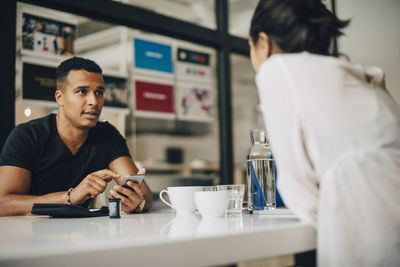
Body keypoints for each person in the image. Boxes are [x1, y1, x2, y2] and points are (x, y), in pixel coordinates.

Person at [249, 0, 400, 266]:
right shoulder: (361, 78)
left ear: (263, 43)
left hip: (372, 233)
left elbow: (300, 193)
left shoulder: (278, 70)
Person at [0, 57, 152, 216]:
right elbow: (3, 204)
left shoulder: (107, 134)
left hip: (81, 235)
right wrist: (70, 197)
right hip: (30, 234)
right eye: (82, 91)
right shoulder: (27, 135)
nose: (94, 101)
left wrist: (137, 202)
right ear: (60, 98)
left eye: (99, 92)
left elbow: (145, 195)